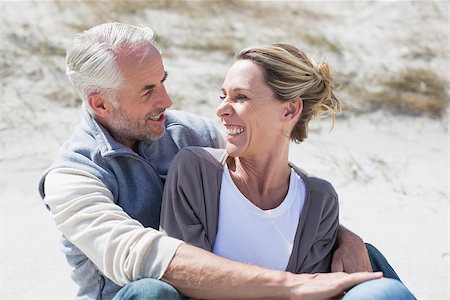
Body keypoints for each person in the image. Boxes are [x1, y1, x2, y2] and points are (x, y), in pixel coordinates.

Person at [39, 22, 390, 300]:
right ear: (100, 104)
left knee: (366, 261)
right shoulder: (72, 178)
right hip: (144, 294)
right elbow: (142, 256)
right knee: (153, 291)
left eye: (162, 81)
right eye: (147, 91)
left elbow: (267, 170)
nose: (167, 99)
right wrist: (291, 286)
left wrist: (342, 235)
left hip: (247, 284)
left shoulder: (187, 132)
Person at [160, 44, 415, 299]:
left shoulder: (319, 200)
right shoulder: (195, 171)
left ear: (290, 109)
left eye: (241, 97)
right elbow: (185, 277)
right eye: (223, 96)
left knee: (385, 291)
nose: (222, 109)